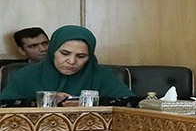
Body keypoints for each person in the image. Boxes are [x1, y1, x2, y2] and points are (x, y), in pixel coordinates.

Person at [0, 25, 135, 106]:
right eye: (65, 53)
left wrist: (87, 103)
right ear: (53, 51)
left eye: (81, 56)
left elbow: (131, 103)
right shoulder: (26, 74)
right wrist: (46, 101)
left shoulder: (102, 75)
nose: (71, 61)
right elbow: (3, 105)